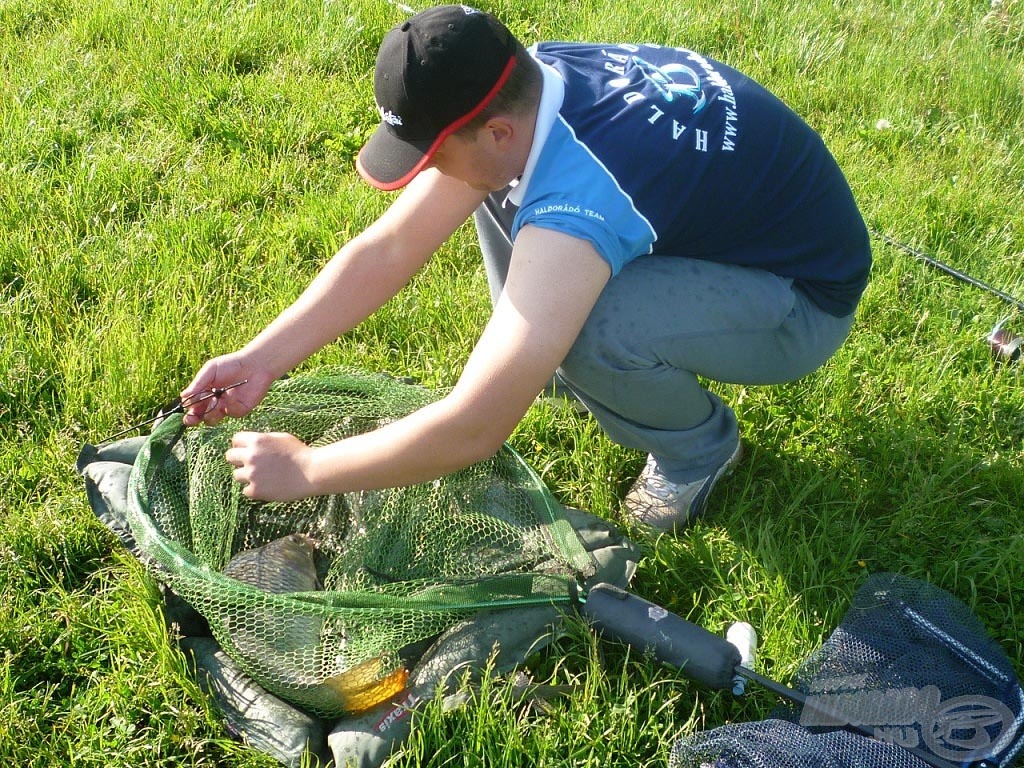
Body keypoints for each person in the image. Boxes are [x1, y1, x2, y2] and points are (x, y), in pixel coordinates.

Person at [181, 4, 871, 532]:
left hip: (799, 303)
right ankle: (547, 358)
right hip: (716, 235)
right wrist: (263, 357)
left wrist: (306, 470)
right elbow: (391, 246)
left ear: (497, 129)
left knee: (589, 327)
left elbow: (476, 429)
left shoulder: (580, 192)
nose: (425, 174)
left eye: (432, 155)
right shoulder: (528, 86)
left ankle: (698, 452)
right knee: (490, 187)